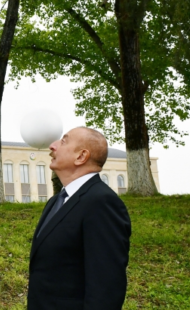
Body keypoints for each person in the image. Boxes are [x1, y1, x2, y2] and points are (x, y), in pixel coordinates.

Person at [27, 127, 131, 310]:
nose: (52, 146)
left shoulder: (102, 202)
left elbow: (105, 288)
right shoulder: (55, 201)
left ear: (81, 157)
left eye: (64, 141)